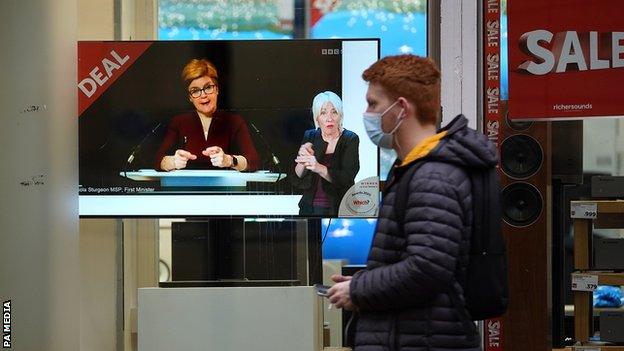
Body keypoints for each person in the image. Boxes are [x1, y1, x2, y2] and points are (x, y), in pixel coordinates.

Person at [326, 55, 498, 350]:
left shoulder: (433, 176)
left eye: (373, 104)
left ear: (401, 108)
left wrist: (360, 288)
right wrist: (364, 283)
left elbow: (427, 268)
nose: (367, 113)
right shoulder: (418, 169)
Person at [155, 58, 259, 172]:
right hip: (187, 188)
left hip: (226, 188)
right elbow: (157, 160)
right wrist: (172, 161)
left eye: (208, 87)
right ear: (190, 97)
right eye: (195, 91)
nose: (203, 95)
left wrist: (230, 160)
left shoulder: (235, 121)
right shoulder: (179, 122)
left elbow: (254, 161)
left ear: (217, 89)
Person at [291, 91, 360, 216]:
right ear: (317, 117)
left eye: (334, 112)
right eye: (323, 113)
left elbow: (346, 178)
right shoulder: (310, 135)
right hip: (309, 208)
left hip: (339, 209)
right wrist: (303, 159)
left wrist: (318, 167)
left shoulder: (350, 139)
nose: (329, 118)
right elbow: (298, 176)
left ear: (340, 115)